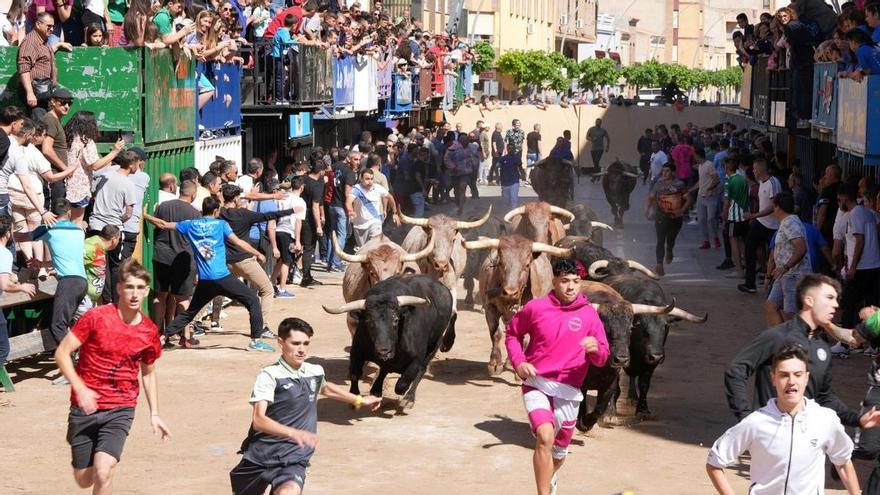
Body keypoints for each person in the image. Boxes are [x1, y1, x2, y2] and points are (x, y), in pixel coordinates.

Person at [54, 259, 171, 494]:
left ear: (147, 291)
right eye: (129, 287)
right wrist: (81, 388)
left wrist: (155, 413)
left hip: (121, 408)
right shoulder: (96, 317)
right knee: (84, 479)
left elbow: (148, 373)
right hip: (84, 409)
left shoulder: (149, 331)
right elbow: (63, 353)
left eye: (140, 288)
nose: (135, 294)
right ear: (119, 288)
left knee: (103, 471)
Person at [229, 317, 382, 495]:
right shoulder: (269, 375)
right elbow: (259, 420)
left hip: (294, 457)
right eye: (295, 343)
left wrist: (359, 400)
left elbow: (325, 388)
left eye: (306, 343)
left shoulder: (314, 371)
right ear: (280, 342)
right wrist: (293, 433)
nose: (301, 349)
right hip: (260, 456)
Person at [505, 258, 609, 495]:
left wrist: (596, 350)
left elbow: (603, 358)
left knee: (559, 453)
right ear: (553, 281)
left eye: (576, 281)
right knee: (544, 437)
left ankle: (549, 477)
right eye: (564, 281)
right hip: (537, 384)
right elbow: (512, 334)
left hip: (570, 391)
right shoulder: (535, 308)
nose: (571, 287)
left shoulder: (590, 315)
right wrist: (519, 362)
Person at [725, 273, 880, 430]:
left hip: (805, 440)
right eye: (829, 298)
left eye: (836, 299)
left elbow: (825, 397)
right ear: (809, 300)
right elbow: (736, 370)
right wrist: (746, 419)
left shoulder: (822, 348)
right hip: (770, 438)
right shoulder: (778, 336)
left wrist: (858, 419)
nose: (835, 305)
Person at [707, 344, 861, 495]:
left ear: (806, 378)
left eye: (798, 374)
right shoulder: (755, 423)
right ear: (773, 378)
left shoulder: (825, 419)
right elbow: (714, 463)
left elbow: (843, 462)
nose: (791, 381)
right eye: (784, 375)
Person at [144, 196, 273, 352]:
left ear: (202, 210)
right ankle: (256, 340)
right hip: (222, 277)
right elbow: (238, 242)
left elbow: (163, 224)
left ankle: (162, 338)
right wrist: (257, 253)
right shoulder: (221, 225)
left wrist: (145, 215)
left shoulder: (191, 225)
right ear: (216, 210)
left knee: (189, 313)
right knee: (253, 299)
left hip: (205, 281)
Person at [29, 198, 86, 345]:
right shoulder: (79, 231)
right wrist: (43, 263)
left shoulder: (48, 229)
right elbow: (65, 257)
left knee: (58, 326)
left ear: (52, 213)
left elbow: (22, 237)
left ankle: (72, 361)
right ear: (69, 212)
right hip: (82, 282)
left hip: (68, 283)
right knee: (70, 322)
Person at [151, 180, 199, 347]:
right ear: (193, 194)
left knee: (160, 295)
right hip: (183, 258)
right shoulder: (194, 213)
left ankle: (158, 335)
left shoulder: (163, 206)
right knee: (183, 298)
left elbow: (157, 226)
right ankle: (185, 336)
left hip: (162, 254)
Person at [88, 150, 137, 304]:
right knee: (116, 266)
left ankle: (105, 299)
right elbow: (129, 212)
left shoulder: (106, 175)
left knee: (99, 264)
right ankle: (116, 301)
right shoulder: (128, 183)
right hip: (114, 228)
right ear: (132, 165)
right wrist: (119, 219)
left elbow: (93, 193)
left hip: (95, 225)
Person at [0, 214, 36, 395]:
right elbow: (5, 285)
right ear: (7, 233)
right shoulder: (4, 253)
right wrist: (22, 286)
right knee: (3, 347)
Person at [764, 192, 810, 325]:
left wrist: (785, 267)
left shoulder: (790, 222)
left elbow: (801, 248)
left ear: (778, 207)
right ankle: (781, 339)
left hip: (793, 274)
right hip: (785, 274)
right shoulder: (787, 222)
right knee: (770, 305)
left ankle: (796, 341)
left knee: (790, 313)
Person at [839, 183, 880, 326]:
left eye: (839, 200)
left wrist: (853, 266)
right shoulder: (868, 213)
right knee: (871, 305)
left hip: (861, 267)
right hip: (873, 265)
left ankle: (846, 342)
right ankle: (874, 344)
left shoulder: (854, 214)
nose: (839, 203)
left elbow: (860, 241)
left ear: (845, 198)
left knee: (848, 303)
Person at [739, 159, 782, 294]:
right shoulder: (761, 183)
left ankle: (774, 283)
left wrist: (753, 215)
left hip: (773, 225)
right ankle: (750, 283)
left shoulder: (772, 183)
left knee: (774, 255)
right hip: (761, 222)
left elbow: (773, 206)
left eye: (754, 169)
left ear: (761, 169)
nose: (753, 171)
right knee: (749, 247)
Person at [645, 162, 692, 276]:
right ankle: (659, 264)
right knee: (660, 240)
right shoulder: (658, 184)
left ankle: (670, 249)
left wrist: (682, 210)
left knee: (670, 240)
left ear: (673, 172)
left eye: (667, 171)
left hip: (675, 218)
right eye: (663, 171)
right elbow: (651, 197)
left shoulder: (679, 184)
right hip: (660, 217)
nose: (664, 173)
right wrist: (647, 210)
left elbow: (688, 199)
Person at [346, 167, 399, 247]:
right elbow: (349, 201)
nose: (370, 181)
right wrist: (350, 211)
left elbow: (390, 197)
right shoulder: (357, 189)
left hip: (375, 222)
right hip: (360, 225)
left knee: (375, 247)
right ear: (361, 179)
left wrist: (395, 213)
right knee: (363, 249)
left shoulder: (377, 188)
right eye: (367, 179)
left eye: (371, 179)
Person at [17, 12, 57, 117]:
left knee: (42, 127)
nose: (52, 29)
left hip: (42, 94)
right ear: (38, 24)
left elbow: (41, 55)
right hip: (35, 95)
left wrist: (60, 44)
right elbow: (24, 67)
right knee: (38, 129)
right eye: (49, 26)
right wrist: (30, 93)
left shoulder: (43, 41)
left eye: (53, 26)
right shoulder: (31, 41)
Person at [272, 177, 306, 298]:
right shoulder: (300, 201)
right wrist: (297, 240)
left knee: (281, 259)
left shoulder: (284, 196)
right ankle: (282, 289)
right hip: (288, 232)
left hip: (278, 229)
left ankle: (271, 283)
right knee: (287, 261)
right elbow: (298, 222)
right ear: (302, 187)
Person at [79, 225, 121, 318]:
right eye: (119, 239)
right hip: (84, 299)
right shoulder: (92, 246)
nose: (118, 242)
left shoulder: (101, 247)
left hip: (92, 300)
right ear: (114, 239)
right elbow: (73, 260)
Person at [691, 146, 721, 249]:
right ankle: (706, 240)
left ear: (698, 155)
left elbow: (716, 179)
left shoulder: (709, 165)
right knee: (702, 219)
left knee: (711, 219)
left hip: (710, 196)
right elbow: (701, 181)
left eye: (694, 155)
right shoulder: (700, 166)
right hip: (701, 196)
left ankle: (715, 238)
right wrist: (691, 190)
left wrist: (709, 188)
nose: (693, 157)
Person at [498, 142, 523, 209]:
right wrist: (498, 178)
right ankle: (505, 213)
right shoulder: (502, 159)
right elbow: (497, 167)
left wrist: (523, 176)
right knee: (506, 200)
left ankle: (514, 216)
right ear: (507, 149)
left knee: (514, 199)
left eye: (512, 148)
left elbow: (520, 168)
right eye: (509, 148)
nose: (510, 150)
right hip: (504, 182)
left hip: (514, 181)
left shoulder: (517, 158)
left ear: (514, 149)